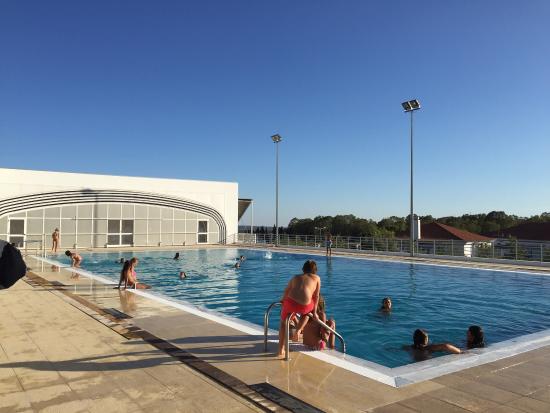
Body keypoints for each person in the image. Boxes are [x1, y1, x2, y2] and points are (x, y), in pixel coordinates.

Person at [278, 259, 321, 358]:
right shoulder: (317, 278)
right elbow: (316, 296)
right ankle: (298, 330)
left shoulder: (295, 277)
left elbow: (287, 290)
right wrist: (314, 312)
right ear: (315, 270)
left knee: (283, 323)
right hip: (304, 306)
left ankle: (281, 349)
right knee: (307, 313)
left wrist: (282, 300)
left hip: (289, 303)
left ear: (303, 269)